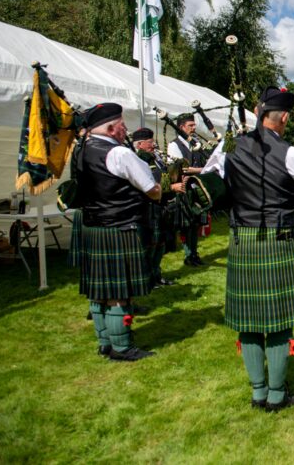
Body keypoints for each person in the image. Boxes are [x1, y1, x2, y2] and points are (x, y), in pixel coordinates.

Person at [224, 86, 294, 413]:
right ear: (284, 117)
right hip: (277, 240)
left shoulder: (229, 146)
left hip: (240, 240)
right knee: (277, 322)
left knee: (248, 321)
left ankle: (258, 391)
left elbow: (214, 185)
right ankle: (276, 396)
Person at [76, 103, 161, 361]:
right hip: (120, 226)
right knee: (118, 292)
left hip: (93, 226)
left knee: (99, 290)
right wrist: (160, 188)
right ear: (112, 127)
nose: (126, 129)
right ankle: (121, 348)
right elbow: (151, 189)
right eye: (123, 124)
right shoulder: (119, 154)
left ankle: (104, 342)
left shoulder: (80, 151)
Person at [132, 127, 184, 288]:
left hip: (161, 207)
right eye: (150, 142)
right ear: (140, 144)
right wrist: (172, 187)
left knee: (160, 244)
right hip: (149, 209)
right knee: (151, 246)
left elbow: (163, 175)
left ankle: (157, 276)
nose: (153, 144)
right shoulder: (140, 159)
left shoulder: (154, 158)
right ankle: (147, 279)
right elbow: (149, 184)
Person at [167, 113, 207, 267]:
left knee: (196, 223)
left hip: (196, 187)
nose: (194, 128)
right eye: (190, 125)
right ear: (181, 127)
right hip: (183, 188)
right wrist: (202, 169)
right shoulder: (174, 145)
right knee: (187, 224)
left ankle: (194, 254)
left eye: (194, 125)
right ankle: (188, 255)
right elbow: (181, 168)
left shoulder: (194, 143)